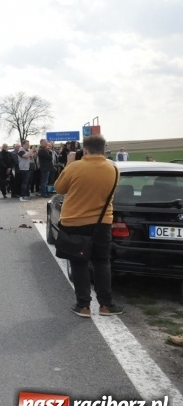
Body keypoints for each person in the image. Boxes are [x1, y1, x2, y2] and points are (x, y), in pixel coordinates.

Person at [54, 134, 123, 318]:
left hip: (75, 222)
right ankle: (106, 305)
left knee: (79, 263)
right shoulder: (114, 169)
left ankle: (83, 305)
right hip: (103, 223)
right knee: (102, 262)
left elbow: (59, 188)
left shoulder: (75, 167)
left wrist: (69, 163)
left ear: (84, 149)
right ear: (104, 150)